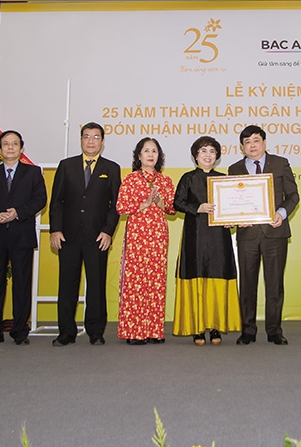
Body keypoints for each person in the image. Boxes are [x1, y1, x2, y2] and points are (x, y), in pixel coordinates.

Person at [49, 122, 120, 346]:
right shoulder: (66, 165)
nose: (91, 141)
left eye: (96, 137)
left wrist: (108, 231)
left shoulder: (111, 168)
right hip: (68, 235)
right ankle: (66, 332)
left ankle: (96, 331)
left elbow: (115, 206)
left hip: (97, 236)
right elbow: (56, 201)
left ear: (103, 142)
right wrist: (55, 229)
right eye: (87, 136)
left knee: (96, 285)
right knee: (67, 284)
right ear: (81, 140)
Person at [0, 130, 47, 346]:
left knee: (22, 284)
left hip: (21, 235)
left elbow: (40, 199)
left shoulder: (33, 172)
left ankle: (20, 331)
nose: (11, 147)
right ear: (0, 148)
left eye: (15, 144)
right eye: (6, 144)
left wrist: (17, 212)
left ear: (21, 148)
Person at [228, 125, 299, 345]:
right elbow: (231, 201)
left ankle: (274, 330)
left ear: (264, 143)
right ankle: (248, 330)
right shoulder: (234, 169)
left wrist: (281, 213)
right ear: (242, 147)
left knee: (274, 284)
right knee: (247, 284)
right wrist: (236, 217)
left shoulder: (280, 163)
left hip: (275, 232)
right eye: (247, 142)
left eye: (256, 140)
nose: (252, 145)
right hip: (247, 234)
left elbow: (293, 195)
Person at [172, 136, 241, 346]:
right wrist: (198, 208)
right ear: (195, 156)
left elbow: (234, 206)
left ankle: (216, 326)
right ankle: (198, 328)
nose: (208, 155)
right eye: (203, 151)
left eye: (212, 151)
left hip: (219, 237)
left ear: (217, 156)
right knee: (198, 275)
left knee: (218, 276)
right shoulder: (188, 178)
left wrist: (232, 220)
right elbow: (177, 203)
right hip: (195, 235)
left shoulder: (224, 179)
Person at [116, 137, 176, 345]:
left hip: (158, 236)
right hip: (137, 236)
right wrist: (143, 204)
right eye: (146, 150)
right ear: (139, 155)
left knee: (156, 281)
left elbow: (172, 209)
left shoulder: (165, 181)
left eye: (154, 151)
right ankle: (134, 331)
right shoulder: (130, 179)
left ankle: (154, 330)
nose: (150, 155)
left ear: (159, 156)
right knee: (135, 282)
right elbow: (120, 207)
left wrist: (159, 202)